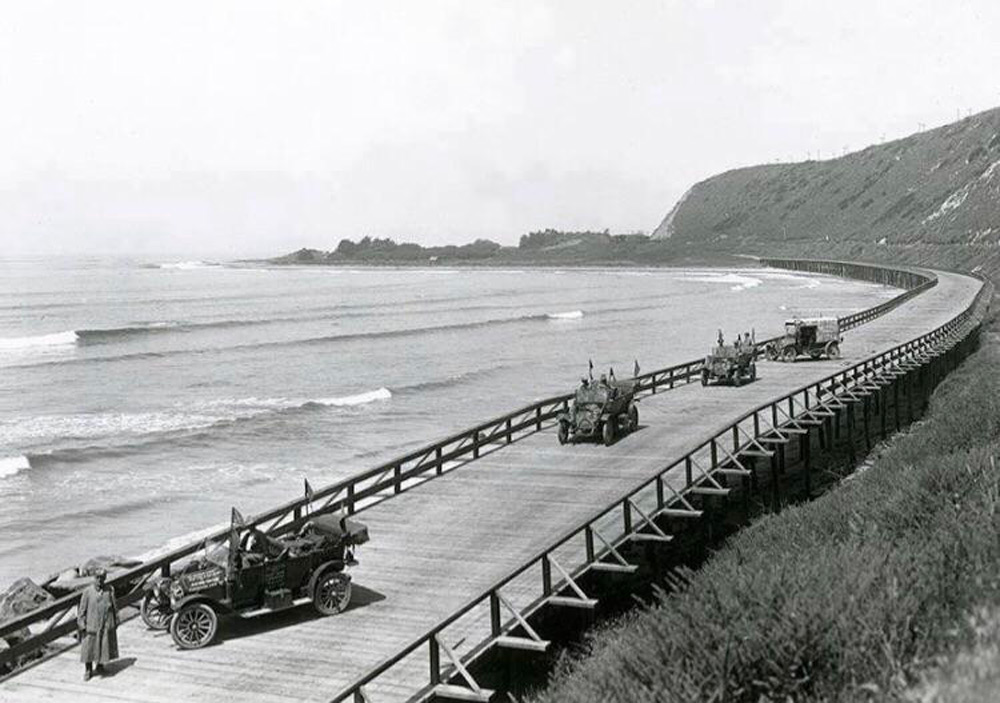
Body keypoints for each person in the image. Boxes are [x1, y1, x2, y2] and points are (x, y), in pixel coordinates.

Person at [77, 568, 119, 681]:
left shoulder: (109, 590)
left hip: (105, 623)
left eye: (102, 578)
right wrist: (82, 624)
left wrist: (116, 620)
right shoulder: (87, 591)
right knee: (89, 649)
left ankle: (100, 666)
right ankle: (88, 670)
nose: (100, 580)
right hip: (91, 625)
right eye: (97, 578)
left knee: (103, 645)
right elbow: (81, 610)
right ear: (94, 578)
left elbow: (114, 606)